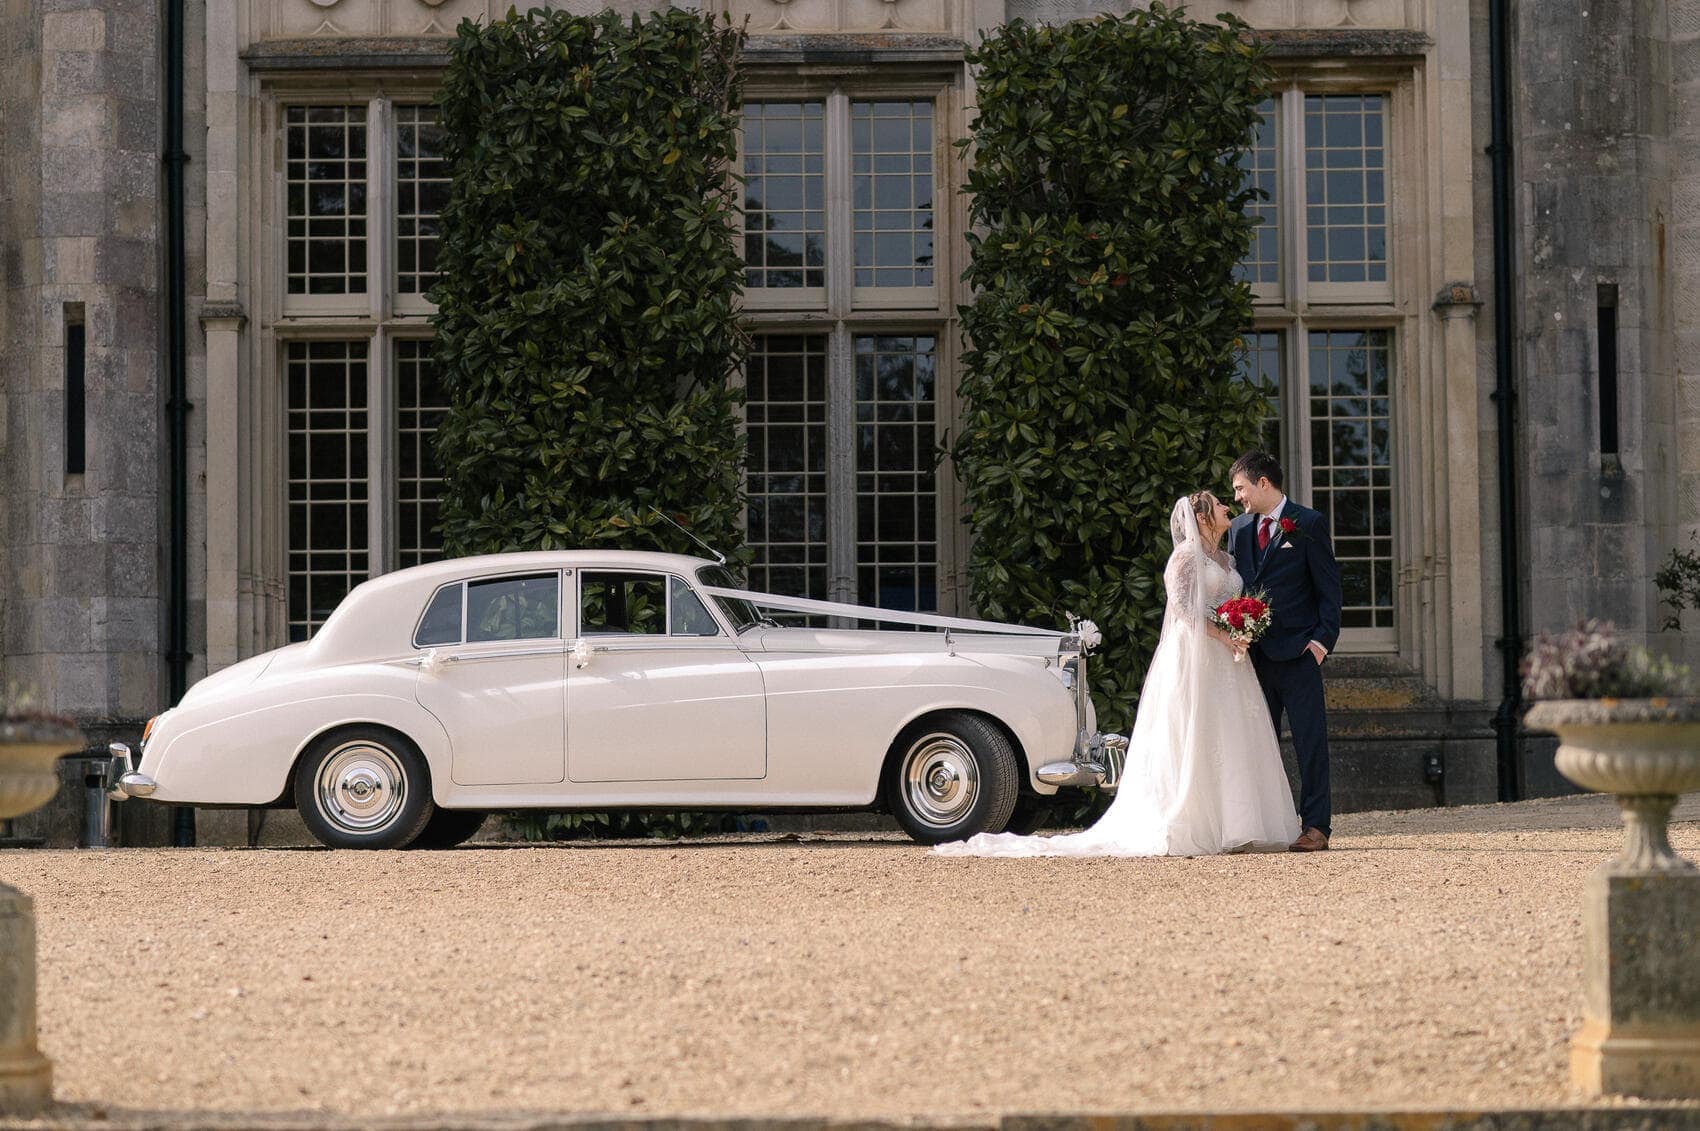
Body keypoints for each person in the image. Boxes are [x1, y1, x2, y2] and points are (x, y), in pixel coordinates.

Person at [932, 491, 1299, 858]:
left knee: (1231, 732)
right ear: (1202, 518)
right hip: (1195, 655)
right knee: (1196, 729)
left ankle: (1239, 823)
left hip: (1229, 659)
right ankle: (1199, 823)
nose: (1226, 508)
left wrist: (1240, 626)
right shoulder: (1184, 558)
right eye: (1219, 505)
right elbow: (1184, 611)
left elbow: (1228, 601)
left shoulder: (1225, 557)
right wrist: (1223, 634)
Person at [1228, 450, 1342, 853]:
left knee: (1311, 742)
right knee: (1259, 743)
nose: (1238, 497)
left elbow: (1329, 591)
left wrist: (1319, 646)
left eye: (1241, 488)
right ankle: (1265, 824)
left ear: (1263, 483)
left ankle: (1316, 827)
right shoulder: (1239, 530)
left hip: (1299, 654)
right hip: (1254, 659)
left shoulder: (1308, 523)